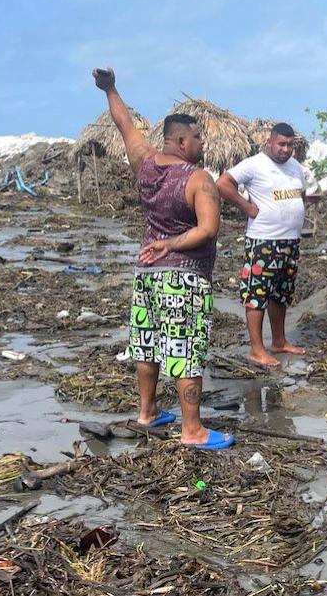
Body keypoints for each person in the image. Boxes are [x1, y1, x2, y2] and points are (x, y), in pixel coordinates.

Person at [92, 66, 234, 450]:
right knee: (185, 351)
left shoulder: (145, 162)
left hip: (147, 275)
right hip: (183, 276)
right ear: (183, 140)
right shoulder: (198, 178)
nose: (202, 142)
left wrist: (111, 90)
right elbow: (208, 229)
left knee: (148, 343)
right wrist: (172, 244)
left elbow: (124, 125)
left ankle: (148, 412)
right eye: (198, 137)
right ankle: (193, 431)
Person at [216, 123, 316, 368]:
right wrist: (247, 207)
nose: (285, 149)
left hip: (290, 242)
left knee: (281, 294)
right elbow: (223, 183)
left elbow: (300, 195)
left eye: (289, 144)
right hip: (263, 241)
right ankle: (257, 349)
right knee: (257, 295)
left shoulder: (296, 168)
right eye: (281, 144)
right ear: (270, 142)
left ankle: (279, 341)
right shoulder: (254, 164)